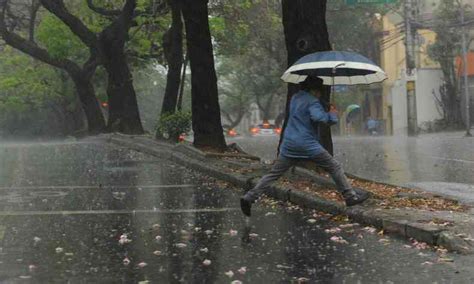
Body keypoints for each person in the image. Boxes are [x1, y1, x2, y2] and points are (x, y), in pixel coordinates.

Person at [240, 77, 369, 217]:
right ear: (314, 90)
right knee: (334, 166)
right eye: (319, 92)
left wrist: (323, 106)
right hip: (307, 144)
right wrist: (332, 114)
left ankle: (250, 197)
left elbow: (303, 114)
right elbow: (319, 118)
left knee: (273, 174)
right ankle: (350, 196)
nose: (320, 94)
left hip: (289, 145)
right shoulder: (313, 101)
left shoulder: (295, 98)